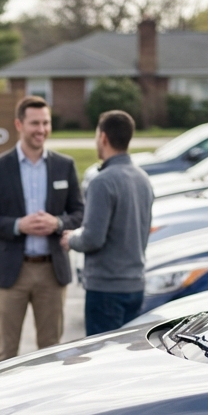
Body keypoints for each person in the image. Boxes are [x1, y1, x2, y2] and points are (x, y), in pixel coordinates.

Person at [0, 95, 85, 363]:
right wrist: (17, 225)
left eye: (46, 123)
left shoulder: (64, 165)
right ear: (19, 125)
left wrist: (58, 223)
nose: (41, 129)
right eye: (35, 123)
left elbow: (79, 213)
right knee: (5, 352)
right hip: (12, 272)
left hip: (52, 272)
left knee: (52, 352)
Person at [62, 110, 154, 334]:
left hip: (106, 289)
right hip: (135, 285)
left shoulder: (102, 182)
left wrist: (70, 239)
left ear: (103, 137)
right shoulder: (143, 179)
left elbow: (93, 238)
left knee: (103, 361)